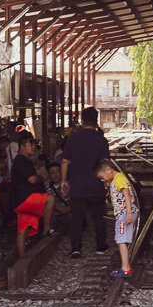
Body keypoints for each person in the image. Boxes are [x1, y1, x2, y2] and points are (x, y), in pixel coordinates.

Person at [58, 106, 113, 257]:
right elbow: (106, 162)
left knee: (76, 219)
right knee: (98, 218)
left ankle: (76, 248)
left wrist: (64, 181)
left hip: (77, 185)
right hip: (96, 185)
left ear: (82, 121)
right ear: (96, 122)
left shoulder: (72, 138)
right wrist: (108, 183)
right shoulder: (101, 139)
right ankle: (101, 246)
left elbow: (64, 161)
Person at [102, 156, 139, 278]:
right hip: (125, 214)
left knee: (121, 240)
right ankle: (125, 265)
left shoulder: (119, 178)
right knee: (122, 239)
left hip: (124, 215)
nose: (102, 180)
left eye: (102, 177)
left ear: (108, 170)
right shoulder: (116, 179)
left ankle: (126, 268)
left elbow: (126, 194)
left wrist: (128, 213)